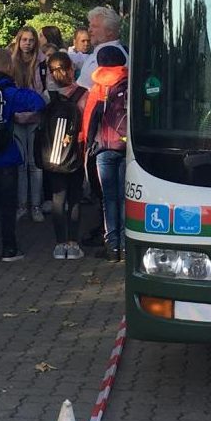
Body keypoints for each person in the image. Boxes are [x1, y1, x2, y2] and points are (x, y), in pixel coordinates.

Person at [0, 47, 45, 261]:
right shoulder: (9, 91)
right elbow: (37, 102)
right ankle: (9, 248)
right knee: (8, 204)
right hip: (6, 154)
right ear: (8, 67)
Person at [37, 50, 87, 259]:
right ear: (71, 69)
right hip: (75, 154)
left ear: (50, 73)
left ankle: (59, 244)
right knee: (75, 198)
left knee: (58, 199)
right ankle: (73, 243)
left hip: (52, 155)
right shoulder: (83, 95)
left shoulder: (46, 97)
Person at [81, 45, 128, 260]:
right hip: (126, 147)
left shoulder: (98, 86)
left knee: (109, 198)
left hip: (104, 148)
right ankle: (126, 246)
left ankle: (112, 247)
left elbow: (90, 119)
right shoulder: (128, 83)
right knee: (125, 197)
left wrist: (87, 145)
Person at [8, 25, 46, 222]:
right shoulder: (10, 62)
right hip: (16, 117)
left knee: (35, 163)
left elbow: (45, 89)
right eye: (24, 40)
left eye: (31, 40)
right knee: (21, 164)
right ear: (18, 41)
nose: (27, 44)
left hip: (35, 117)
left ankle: (36, 205)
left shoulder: (42, 62)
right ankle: (22, 205)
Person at [75, 6, 127, 89]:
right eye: (90, 26)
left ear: (109, 31)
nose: (89, 30)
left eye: (94, 26)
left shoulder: (110, 55)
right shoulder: (103, 51)